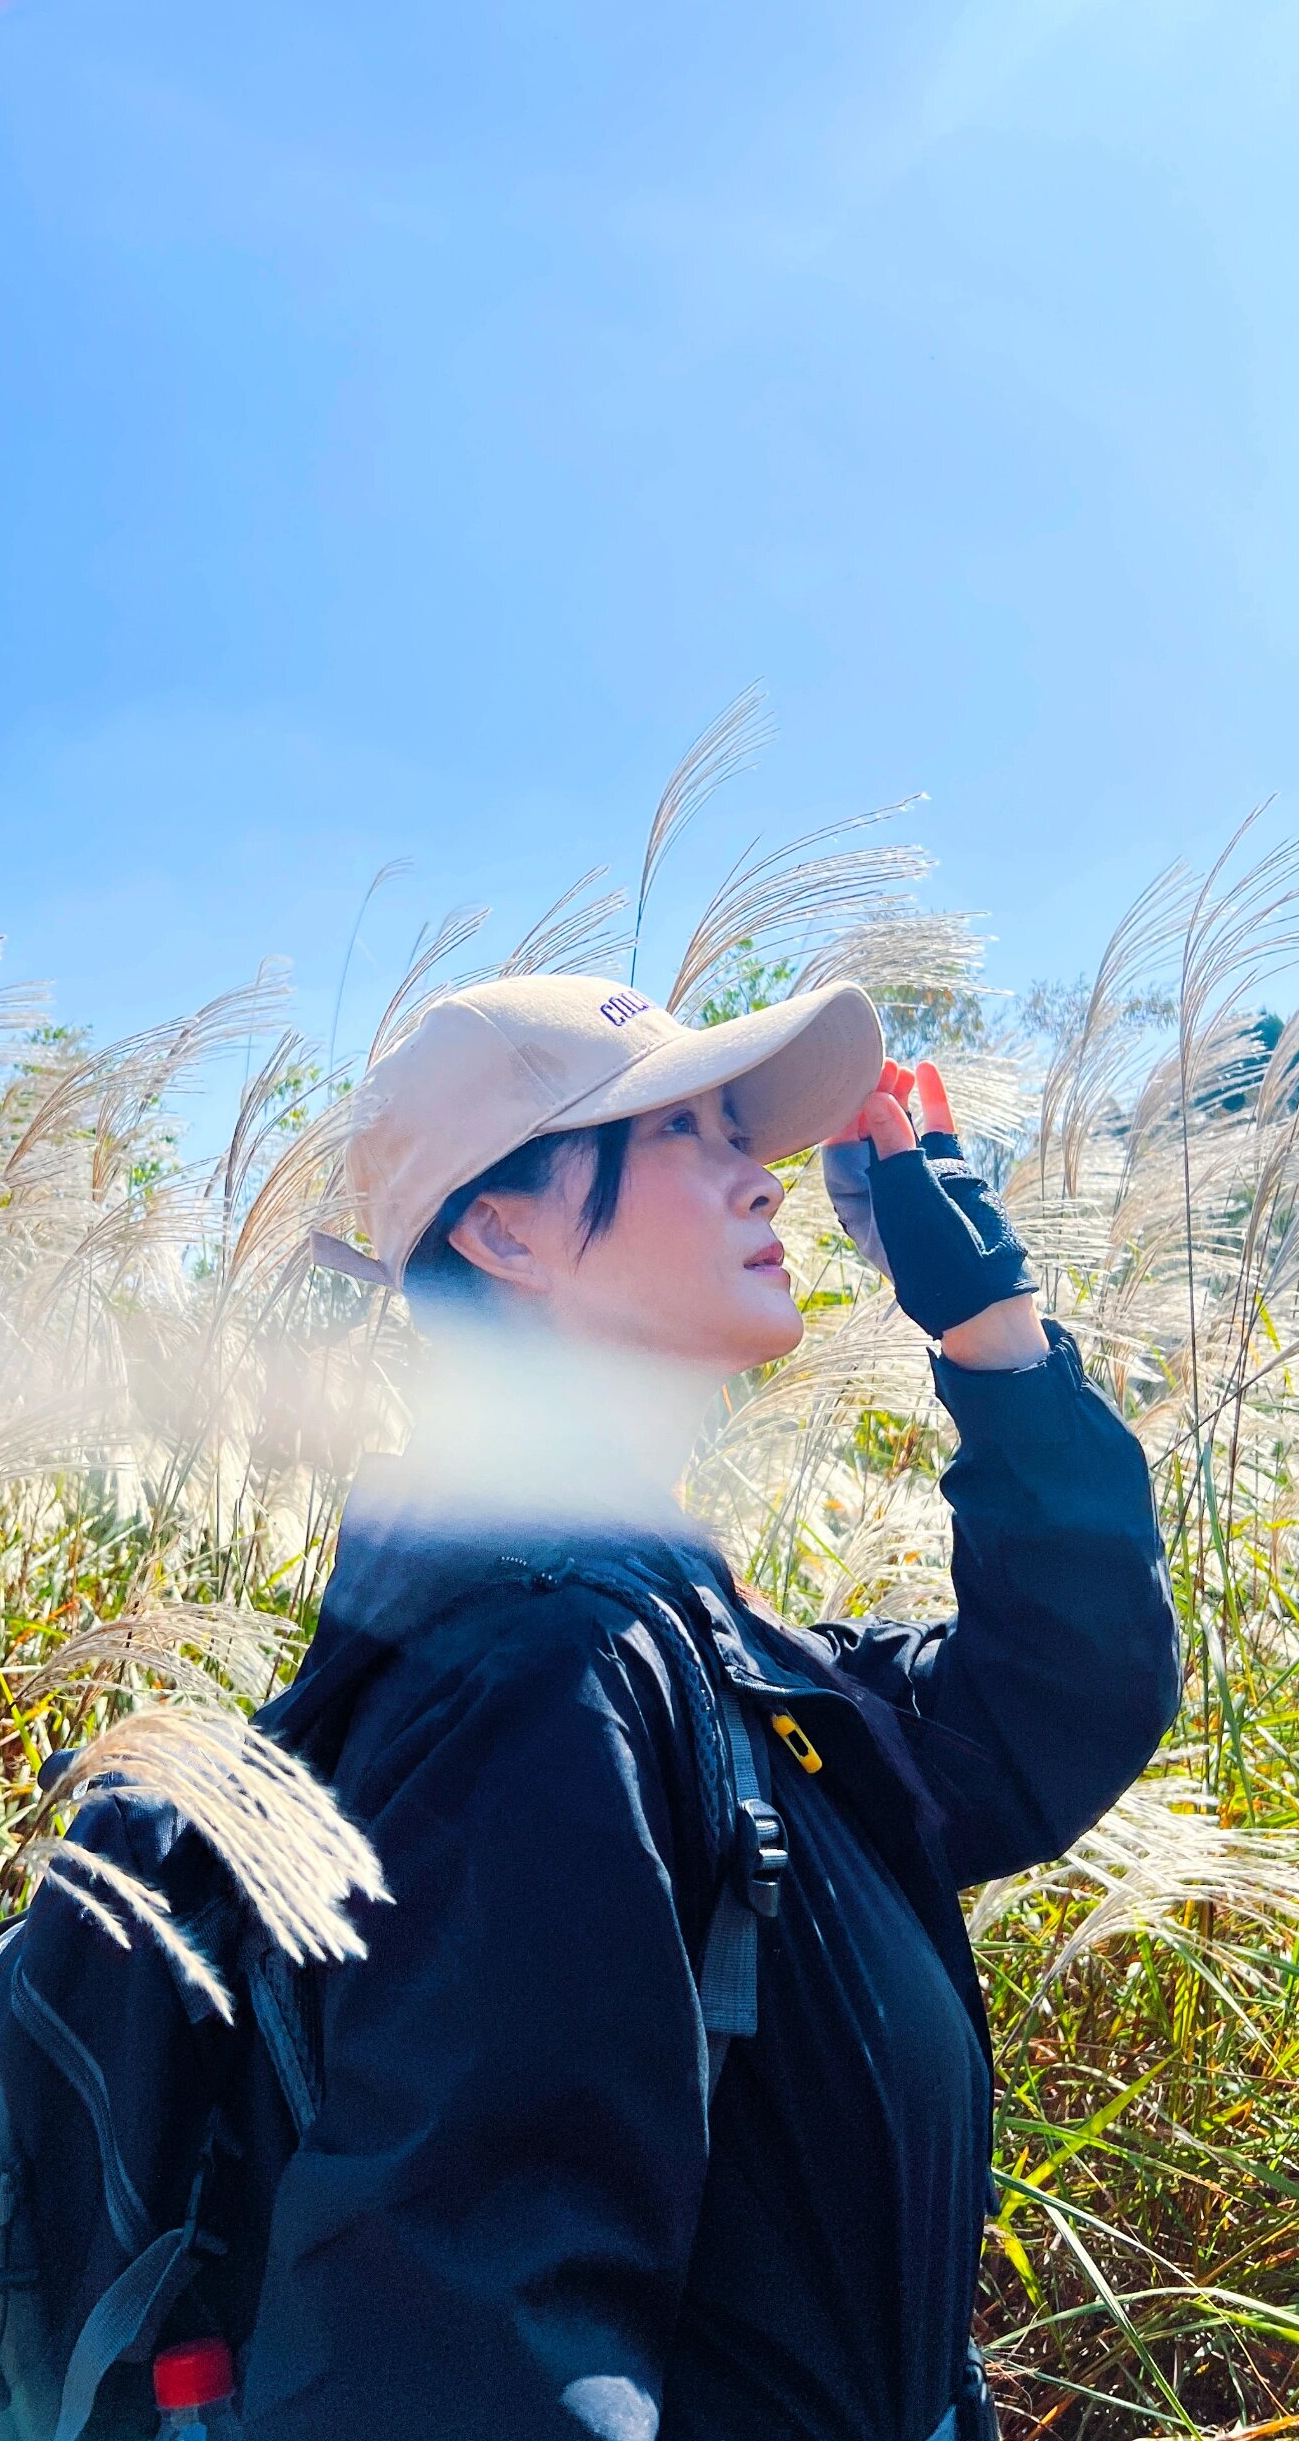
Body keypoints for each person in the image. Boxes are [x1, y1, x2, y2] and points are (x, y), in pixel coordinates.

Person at [241, 974, 1179, 2441]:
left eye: (747, 1130)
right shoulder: (539, 1678)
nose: (767, 1177)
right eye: (685, 1130)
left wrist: (991, 1330)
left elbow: (1040, 1717)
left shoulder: (683, 1643)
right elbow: (467, 2356)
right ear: (507, 1229)